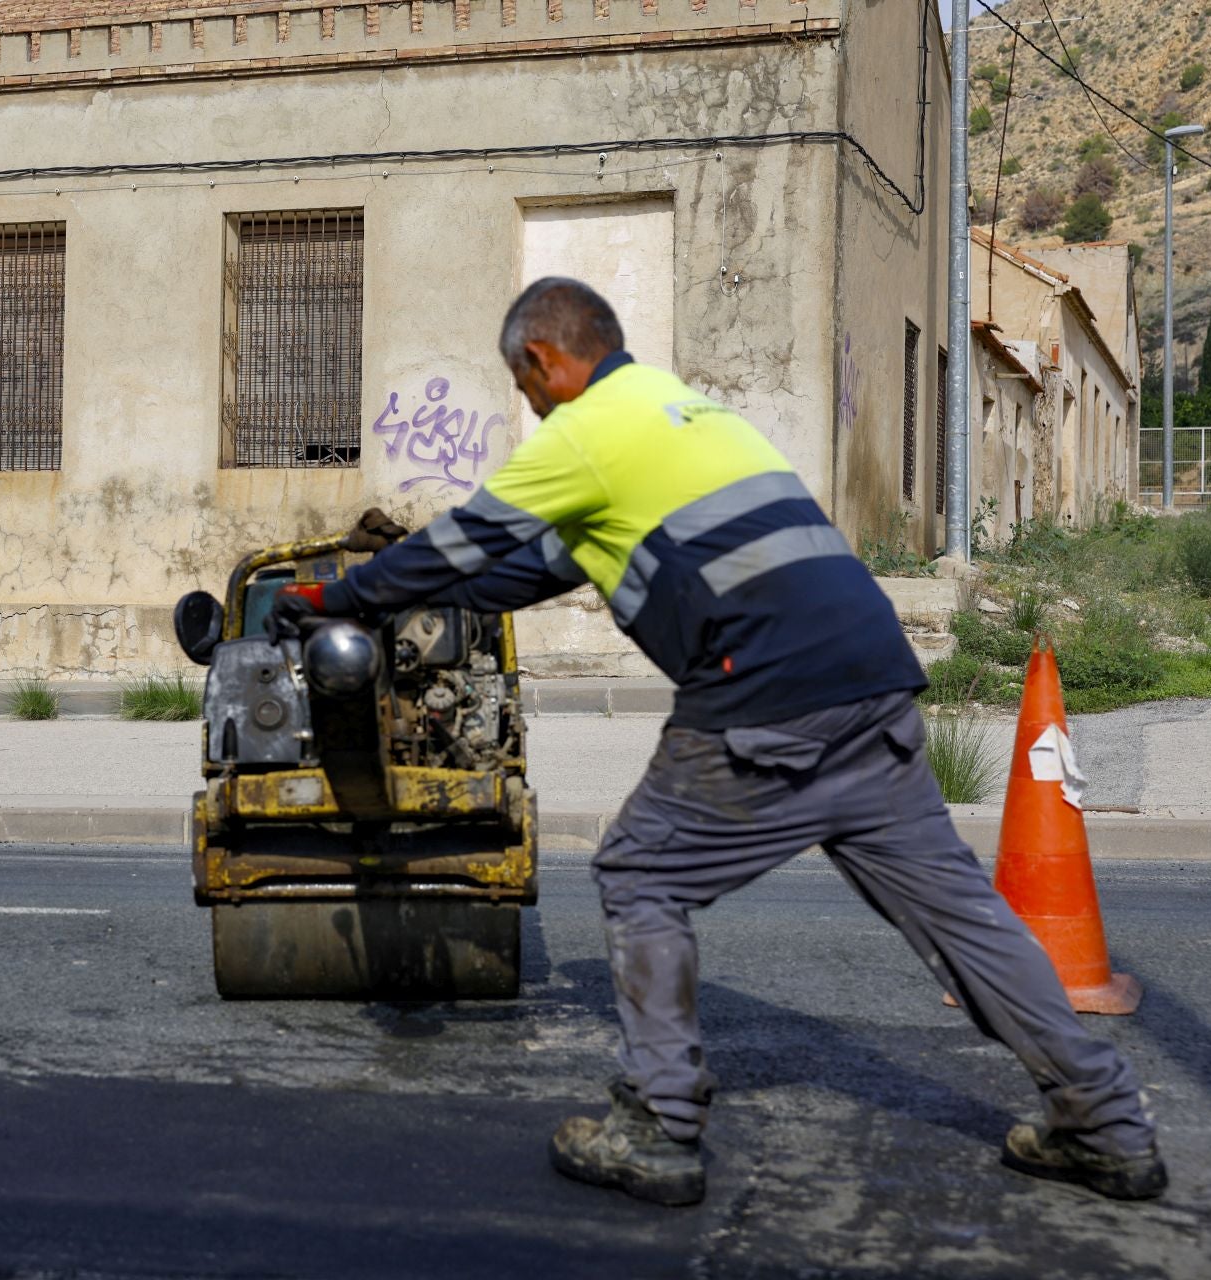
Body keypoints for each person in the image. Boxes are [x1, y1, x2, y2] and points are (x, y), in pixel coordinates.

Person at [272, 277, 1165, 1207]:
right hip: (872, 682)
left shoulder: (585, 431)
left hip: (765, 696)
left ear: (543, 361)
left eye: (523, 385)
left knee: (640, 873)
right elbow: (526, 572)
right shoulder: (692, 419)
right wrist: (422, 596)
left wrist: (335, 597)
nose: (528, 406)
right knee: (960, 920)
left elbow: (459, 544)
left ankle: (658, 1127)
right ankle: (1103, 1124)